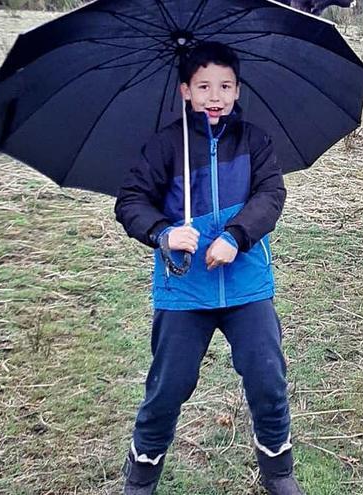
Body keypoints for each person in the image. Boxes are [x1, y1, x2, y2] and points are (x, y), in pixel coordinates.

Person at [114, 41, 302, 495]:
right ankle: (141, 476)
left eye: (224, 86)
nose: (214, 96)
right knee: (167, 388)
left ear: (238, 91)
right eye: (203, 87)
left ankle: (278, 472)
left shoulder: (255, 141)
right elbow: (131, 202)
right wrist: (163, 233)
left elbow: (270, 196)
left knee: (267, 381)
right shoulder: (164, 145)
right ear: (185, 91)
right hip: (184, 292)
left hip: (246, 286)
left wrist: (236, 237)